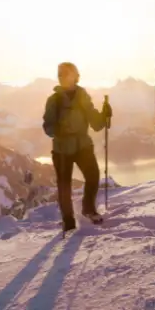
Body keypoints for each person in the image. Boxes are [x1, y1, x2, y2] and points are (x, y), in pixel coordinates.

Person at [42, 62, 113, 232]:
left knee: (93, 176)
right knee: (64, 185)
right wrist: (56, 130)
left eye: (65, 73)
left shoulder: (82, 96)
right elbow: (47, 127)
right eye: (60, 74)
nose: (62, 76)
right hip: (62, 149)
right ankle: (69, 221)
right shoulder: (54, 100)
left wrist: (104, 115)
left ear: (74, 76)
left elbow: (95, 123)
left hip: (82, 145)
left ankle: (88, 209)